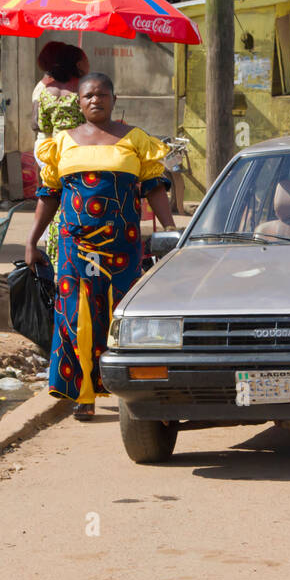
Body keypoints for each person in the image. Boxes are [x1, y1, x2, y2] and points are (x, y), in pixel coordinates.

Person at [26, 74, 176, 421]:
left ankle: (128, 390)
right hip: (73, 246)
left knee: (121, 317)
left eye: (102, 94)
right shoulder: (60, 143)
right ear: (79, 102)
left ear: (114, 98)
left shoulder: (136, 139)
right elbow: (48, 196)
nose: (96, 100)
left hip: (123, 246)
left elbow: (154, 187)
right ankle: (85, 394)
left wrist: (170, 230)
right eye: (88, 95)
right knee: (78, 318)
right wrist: (32, 240)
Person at [34, 42, 89, 268]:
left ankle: (55, 250)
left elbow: (40, 125)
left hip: (54, 153)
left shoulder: (46, 92)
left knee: (52, 200)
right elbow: (90, 122)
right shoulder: (81, 90)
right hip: (79, 151)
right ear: (75, 64)